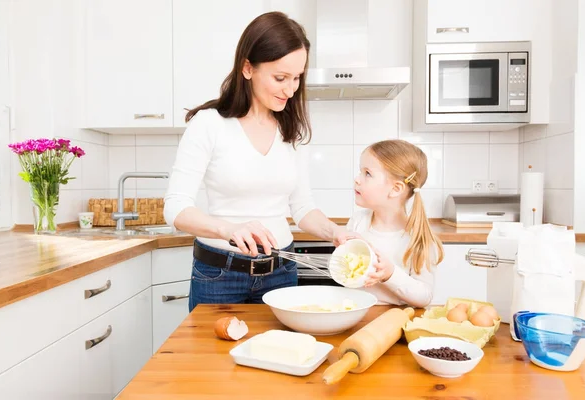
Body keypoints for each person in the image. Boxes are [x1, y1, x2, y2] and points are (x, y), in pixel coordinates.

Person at [164, 12, 348, 312]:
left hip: (281, 272)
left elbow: (302, 208)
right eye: (280, 78)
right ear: (247, 68)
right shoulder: (209, 124)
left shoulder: (290, 131)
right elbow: (175, 208)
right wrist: (229, 230)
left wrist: (335, 232)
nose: (290, 90)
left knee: (281, 357)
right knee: (213, 360)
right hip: (219, 275)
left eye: (297, 78)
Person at [346, 139, 445, 308]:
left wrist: (390, 274)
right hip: (356, 315)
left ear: (396, 189)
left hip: (396, 321)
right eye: (360, 171)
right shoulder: (358, 222)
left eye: (367, 173)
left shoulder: (418, 238)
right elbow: (347, 275)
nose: (357, 179)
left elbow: (424, 297)